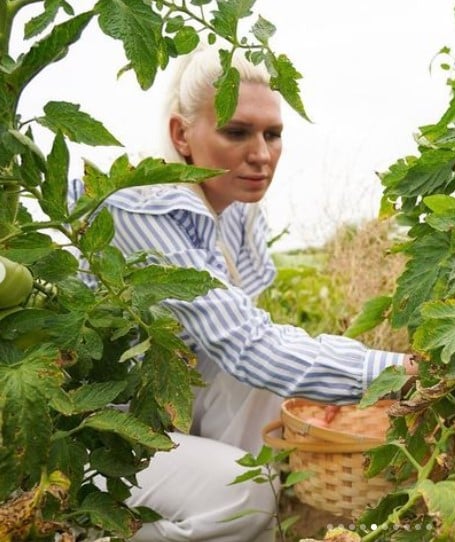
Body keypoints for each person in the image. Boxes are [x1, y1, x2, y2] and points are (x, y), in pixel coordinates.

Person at [70, 46, 417, 541]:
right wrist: (398, 373)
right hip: (100, 436)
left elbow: (256, 349)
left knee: (270, 399)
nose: (261, 154)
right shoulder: (142, 209)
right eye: (236, 132)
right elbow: (244, 345)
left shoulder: (235, 210)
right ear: (181, 135)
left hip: (164, 418)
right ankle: (88, 530)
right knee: (243, 495)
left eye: (272, 134)